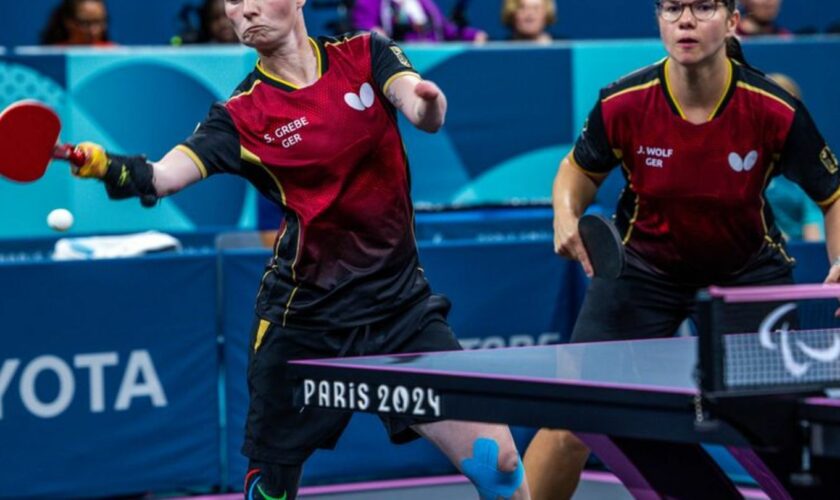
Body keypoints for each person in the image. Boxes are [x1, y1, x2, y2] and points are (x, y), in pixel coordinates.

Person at [71, 1, 529, 499]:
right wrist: (107, 167)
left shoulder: (364, 52)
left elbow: (416, 106)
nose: (241, 11)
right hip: (306, 323)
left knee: (500, 462)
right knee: (271, 490)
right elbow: (162, 177)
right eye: (232, 2)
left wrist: (428, 105)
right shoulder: (240, 115)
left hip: (400, 311)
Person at [524, 0, 840, 498]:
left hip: (745, 273)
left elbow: (833, 193)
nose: (686, 20)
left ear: (733, 21)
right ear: (658, 20)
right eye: (672, 8)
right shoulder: (623, 102)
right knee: (571, 417)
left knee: (777, 426)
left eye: (703, 7)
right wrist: (565, 214)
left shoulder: (773, 108)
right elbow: (578, 170)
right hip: (641, 267)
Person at [765, 73, 823, 241]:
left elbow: (813, 223)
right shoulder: (747, 159)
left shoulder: (811, 159)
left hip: (803, 250)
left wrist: (811, 255)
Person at [351, 0, 488, 43]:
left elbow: (446, 29)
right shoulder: (370, 2)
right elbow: (364, 27)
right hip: (401, 61)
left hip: (435, 56)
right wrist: (374, 33)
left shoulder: (424, 3)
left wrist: (474, 35)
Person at [40, 0, 115, 46]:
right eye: (85, 23)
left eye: (99, 22)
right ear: (68, 22)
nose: (93, 31)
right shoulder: (54, 54)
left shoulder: (115, 53)